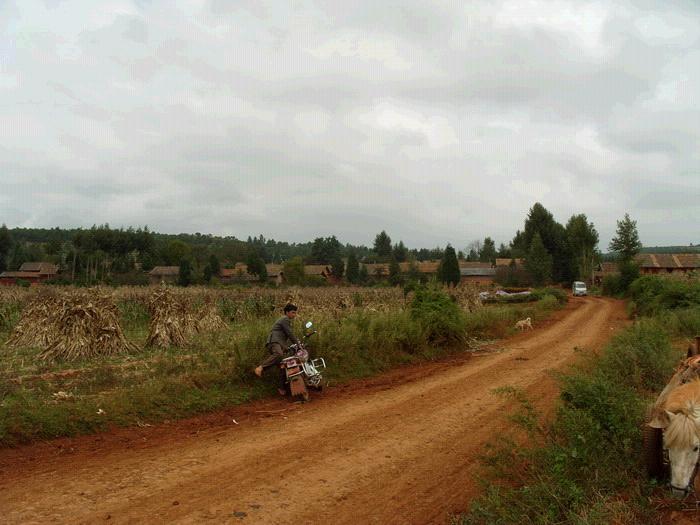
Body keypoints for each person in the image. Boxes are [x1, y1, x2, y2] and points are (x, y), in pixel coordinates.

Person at [254, 303, 300, 394]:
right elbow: (289, 333)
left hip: (278, 343)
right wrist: (298, 344)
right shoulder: (285, 319)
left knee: (284, 366)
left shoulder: (286, 320)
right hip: (274, 342)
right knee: (279, 354)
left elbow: (284, 336)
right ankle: (260, 368)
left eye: (295, 313)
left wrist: (287, 348)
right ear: (287, 312)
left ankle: (282, 388)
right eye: (293, 312)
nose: (294, 315)